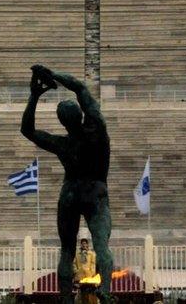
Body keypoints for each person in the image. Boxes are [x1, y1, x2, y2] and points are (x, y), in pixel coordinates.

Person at [22, 65, 112, 301]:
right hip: (96, 192)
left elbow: (28, 130)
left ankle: (66, 298)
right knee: (101, 244)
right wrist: (54, 76)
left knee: (67, 250)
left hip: (71, 193)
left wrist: (34, 95)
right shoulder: (97, 128)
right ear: (81, 114)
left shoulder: (63, 144)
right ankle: (105, 290)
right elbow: (80, 87)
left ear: (63, 123)